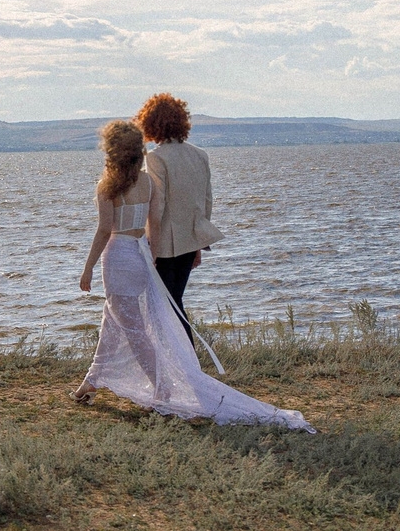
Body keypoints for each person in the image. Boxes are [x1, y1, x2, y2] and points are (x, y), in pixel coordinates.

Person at [73, 118, 311, 430]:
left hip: (117, 258)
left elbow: (105, 229)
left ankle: (162, 389)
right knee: (115, 318)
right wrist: (153, 258)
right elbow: (154, 225)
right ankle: (91, 380)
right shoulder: (148, 183)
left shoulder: (108, 186)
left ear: (112, 151)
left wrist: (88, 267)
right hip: (141, 255)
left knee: (133, 330)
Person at [136, 92, 220, 327]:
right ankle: (183, 360)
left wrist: (151, 249)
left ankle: (185, 360)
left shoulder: (156, 158)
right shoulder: (200, 155)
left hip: (163, 244)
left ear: (151, 124)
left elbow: (157, 206)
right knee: (174, 301)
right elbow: (206, 201)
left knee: (167, 304)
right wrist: (198, 244)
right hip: (189, 242)